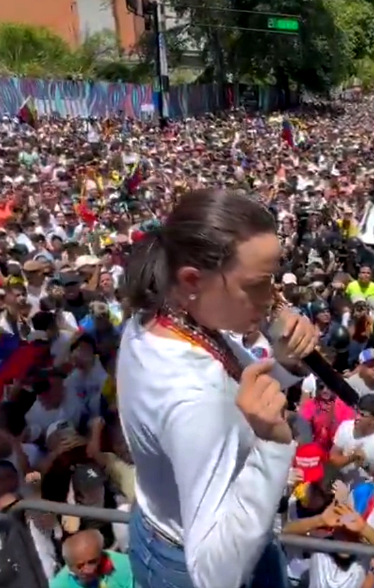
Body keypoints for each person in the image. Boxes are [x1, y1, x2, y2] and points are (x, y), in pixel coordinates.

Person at [116, 189, 320, 588]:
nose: (275, 300)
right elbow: (214, 574)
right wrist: (274, 446)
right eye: (258, 285)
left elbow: (234, 383)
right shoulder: (196, 399)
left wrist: (287, 362)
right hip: (192, 562)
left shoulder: (162, 322)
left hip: (165, 529)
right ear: (192, 279)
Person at [52, 530, 135, 588]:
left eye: (92, 562)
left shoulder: (124, 565)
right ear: (70, 567)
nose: (89, 570)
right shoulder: (59, 584)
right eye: (80, 566)